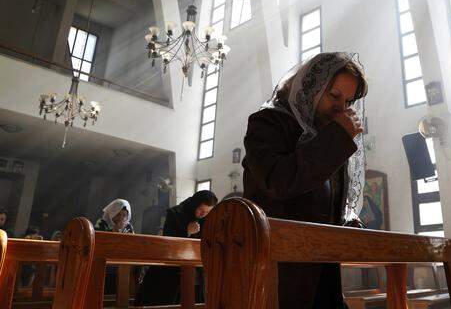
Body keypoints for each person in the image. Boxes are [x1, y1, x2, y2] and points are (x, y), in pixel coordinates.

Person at [243, 52, 368, 309]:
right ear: (310, 87)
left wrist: (344, 221)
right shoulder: (267, 123)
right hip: (280, 270)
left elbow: (322, 199)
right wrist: (337, 137)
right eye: (334, 96)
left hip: (322, 269)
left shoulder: (328, 135)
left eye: (347, 101)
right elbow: (279, 181)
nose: (341, 108)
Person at [134, 190, 217, 305]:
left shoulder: (207, 219)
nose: (203, 214)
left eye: (207, 212)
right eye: (201, 210)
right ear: (194, 204)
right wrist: (186, 231)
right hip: (170, 270)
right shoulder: (175, 213)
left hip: (196, 268)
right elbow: (167, 242)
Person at [94, 199, 134, 294]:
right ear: (112, 213)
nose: (121, 218)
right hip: (105, 261)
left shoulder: (128, 227)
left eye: (124, 215)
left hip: (123, 261)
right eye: (118, 215)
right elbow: (98, 242)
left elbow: (133, 243)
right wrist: (115, 231)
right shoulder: (101, 223)